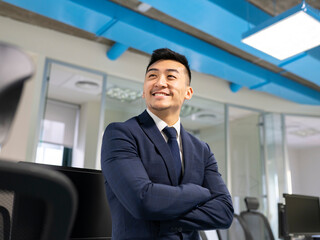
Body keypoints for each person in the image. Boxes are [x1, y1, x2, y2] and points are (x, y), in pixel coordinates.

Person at [101, 48, 233, 240]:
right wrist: (200, 192)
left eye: (171, 76)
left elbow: (224, 212)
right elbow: (142, 201)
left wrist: (159, 215)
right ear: (144, 91)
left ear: (188, 92)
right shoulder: (121, 134)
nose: (160, 82)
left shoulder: (201, 149)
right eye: (152, 76)